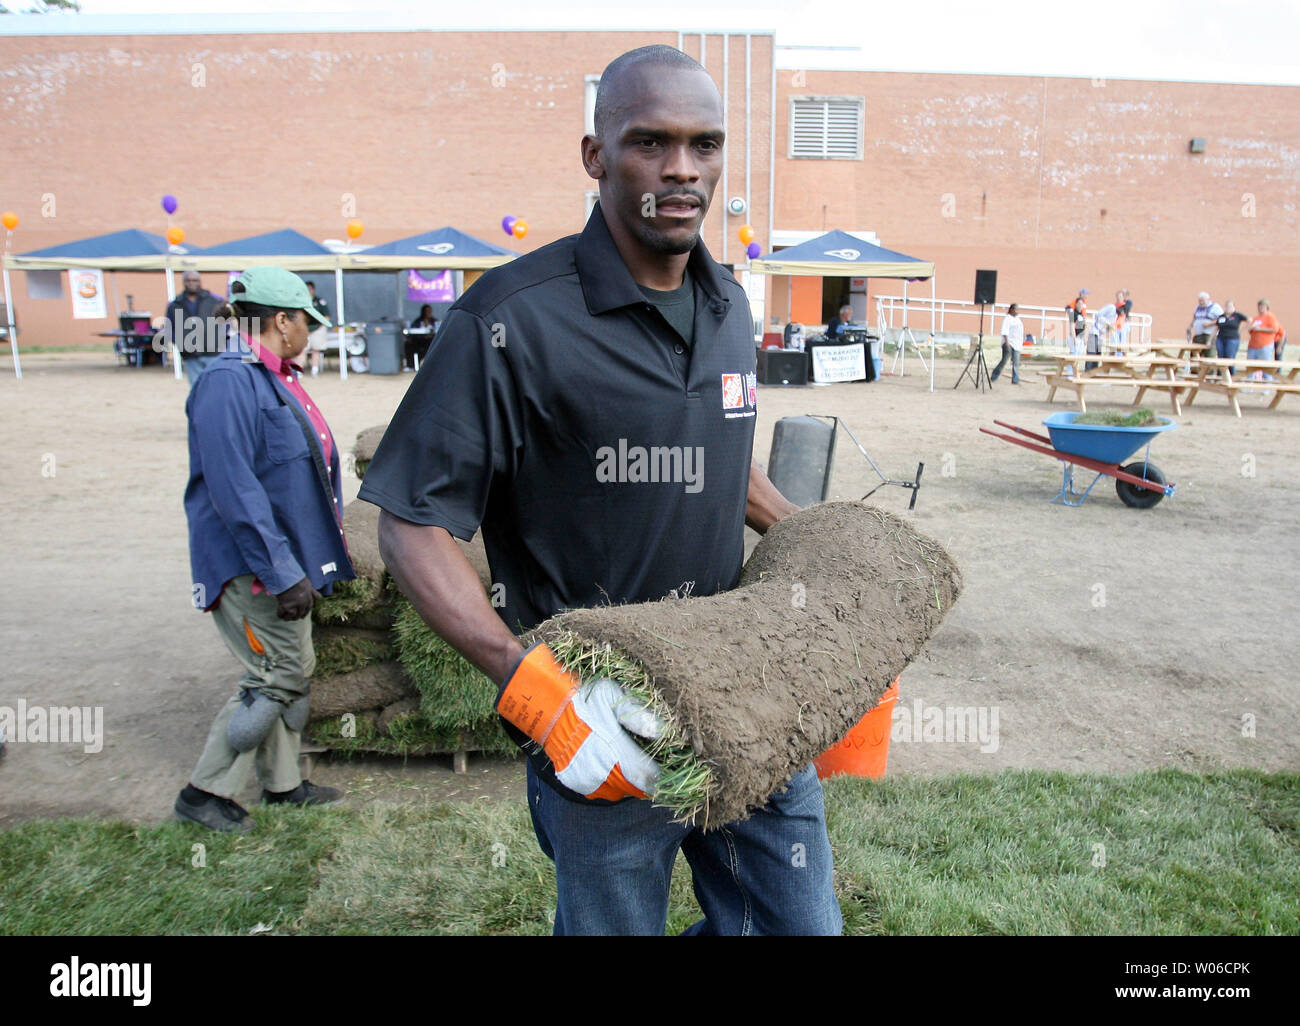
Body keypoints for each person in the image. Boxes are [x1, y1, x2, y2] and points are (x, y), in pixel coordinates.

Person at [358, 44, 841, 936]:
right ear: (595, 156)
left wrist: (825, 553)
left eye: (705, 145)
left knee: (797, 928)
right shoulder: (509, 320)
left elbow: (724, 461)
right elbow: (411, 523)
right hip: (602, 719)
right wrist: (538, 695)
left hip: (742, 690)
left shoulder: (731, 306)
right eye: (650, 143)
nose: (682, 169)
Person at [174, 266, 354, 833]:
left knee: (292, 664)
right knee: (277, 673)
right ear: (282, 321)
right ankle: (204, 793)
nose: (311, 333)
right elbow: (235, 490)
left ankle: (282, 784)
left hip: (281, 563)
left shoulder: (277, 377)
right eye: (307, 322)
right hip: (249, 568)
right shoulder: (229, 382)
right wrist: (279, 572)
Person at [162, 270, 225, 386]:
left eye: (194, 280)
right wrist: (180, 342)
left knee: (216, 386)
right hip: (190, 355)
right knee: (196, 388)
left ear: (200, 281)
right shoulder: (175, 304)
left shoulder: (215, 301)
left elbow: (226, 323)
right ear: (183, 282)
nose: (191, 283)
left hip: (213, 353)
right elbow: (169, 327)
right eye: (188, 280)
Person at [1246, 299, 1285, 380]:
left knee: (1266, 367)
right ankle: (1249, 384)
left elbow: (1275, 329)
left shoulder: (1270, 317)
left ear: (1267, 307)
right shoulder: (1256, 318)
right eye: (1259, 306)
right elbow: (1251, 330)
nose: (1261, 308)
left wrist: (1259, 329)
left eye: (1263, 306)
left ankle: (1267, 385)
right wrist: (1251, 328)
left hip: (1265, 345)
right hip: (1253, 345)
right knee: (1250, 366)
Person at [1212, 299, 1248, 377]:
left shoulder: (1237, 315)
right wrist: (1211, 339)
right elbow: (1216, 328)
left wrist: (1242, 330)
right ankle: (1220, 375)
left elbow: (1249, 320)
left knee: (1229, 357)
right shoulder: (1222, 316)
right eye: (1227, 306)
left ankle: (1232, 375)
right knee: (1220, 357)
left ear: (1234, 307)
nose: (1228, 308)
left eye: (1230, 306)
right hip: (1221, 338)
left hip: (1232, 339)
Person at [990, 303, 1025, 384]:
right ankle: (994, 375)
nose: (1017, 311)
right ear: (1012, 310)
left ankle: (1015, 379)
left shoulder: (1018, 319)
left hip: (1017, 344)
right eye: (1016, 309)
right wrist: (1007, 343)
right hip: (1009, 343)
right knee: (1004, 361)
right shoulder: (1007, 319)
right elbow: (1005, 332)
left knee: (1016, 362)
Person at [305, 282, 332, 377]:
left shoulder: (320, 301)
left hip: (317, 328)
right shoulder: (302, 302)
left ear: (313, 289)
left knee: (316, 350)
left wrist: (319, 325)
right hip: (305, 329)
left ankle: (315, 369)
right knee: (301, 350)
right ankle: (299, 370)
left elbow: (327, 317)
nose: (308, 291)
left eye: (310, 289)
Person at [405, 303, 438, 370]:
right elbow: (412, 331)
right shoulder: (417, 322)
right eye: (427, 311)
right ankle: (411, 366)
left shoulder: (434, 321)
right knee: (408, 344)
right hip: (419, 341)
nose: (429, 313)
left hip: (431, 341)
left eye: (430, 311)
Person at [1066, 288, 1089, 356]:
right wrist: (1074, 337)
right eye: (1086, 294)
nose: (1087, 295)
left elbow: (1085, 324)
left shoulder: (1084, 305)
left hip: (1080, 336)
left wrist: (1085, 336)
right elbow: (1068, 308)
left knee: (1078, 354)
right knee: (1073, 354)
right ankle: (1070, 367)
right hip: (1075, 335)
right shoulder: (1075, 306)